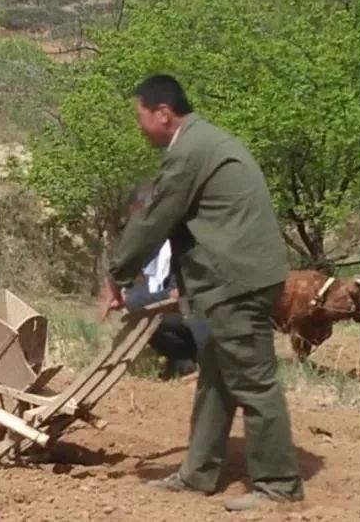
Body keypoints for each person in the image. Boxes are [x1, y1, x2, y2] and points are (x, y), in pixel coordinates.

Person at [101, 74, 303, 512]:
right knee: (216, 377)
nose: (139, 127)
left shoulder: (189, 152)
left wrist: (117, 274)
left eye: (141, 117)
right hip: (236, 278)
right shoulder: (207, 141)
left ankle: (279, 486)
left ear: (163, 113)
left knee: (253, 382)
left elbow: (154, 218)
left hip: (235, 283)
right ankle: (197, 475)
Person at [120, 184, 210, 380]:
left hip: (207, 315)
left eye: (139, 218)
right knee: (137, 305)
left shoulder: (188, 239)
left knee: (136, 305)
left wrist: (131, 300)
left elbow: (178, 293)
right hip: (185, 311)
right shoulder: (158, 243)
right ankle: (183, 364)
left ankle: (208, 366)